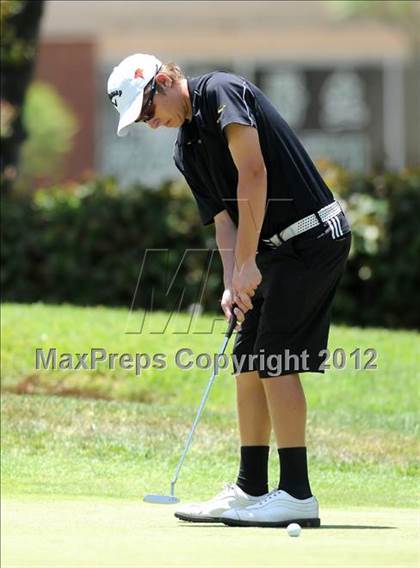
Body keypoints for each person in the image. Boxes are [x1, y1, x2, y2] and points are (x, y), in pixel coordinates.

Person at [107, 53, 351, 528]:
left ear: (163, 80)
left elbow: (253, 174)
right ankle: (250, 488)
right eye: (140, 120)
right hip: (274, 250)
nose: (150, 124)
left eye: (147, 111)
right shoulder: (186, 150)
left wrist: (247, 263)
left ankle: (297, 493)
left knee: (274, 356)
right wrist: (231, 280)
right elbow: (224, 221)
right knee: (246, 358)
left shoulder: (220, 92)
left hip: (314, 236)